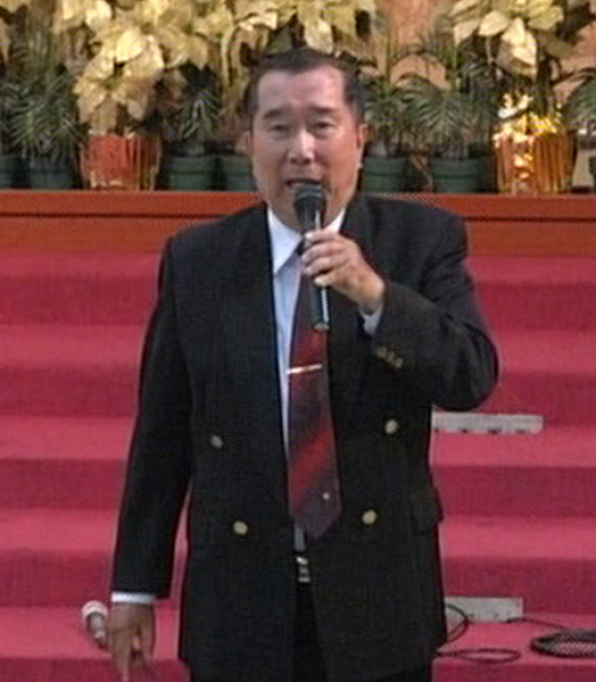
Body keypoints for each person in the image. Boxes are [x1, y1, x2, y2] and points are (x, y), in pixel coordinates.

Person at [107, 48, 498, 682]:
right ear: (248, 141)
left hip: (376, 591)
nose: (302, 150)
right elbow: (163, 432)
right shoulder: (199, 261)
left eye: (321, 125)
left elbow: (470, 376)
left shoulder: (420, 242)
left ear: (360, 137)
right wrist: (134, 586)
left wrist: (376, 297)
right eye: (279, 127)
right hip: (240, 591)